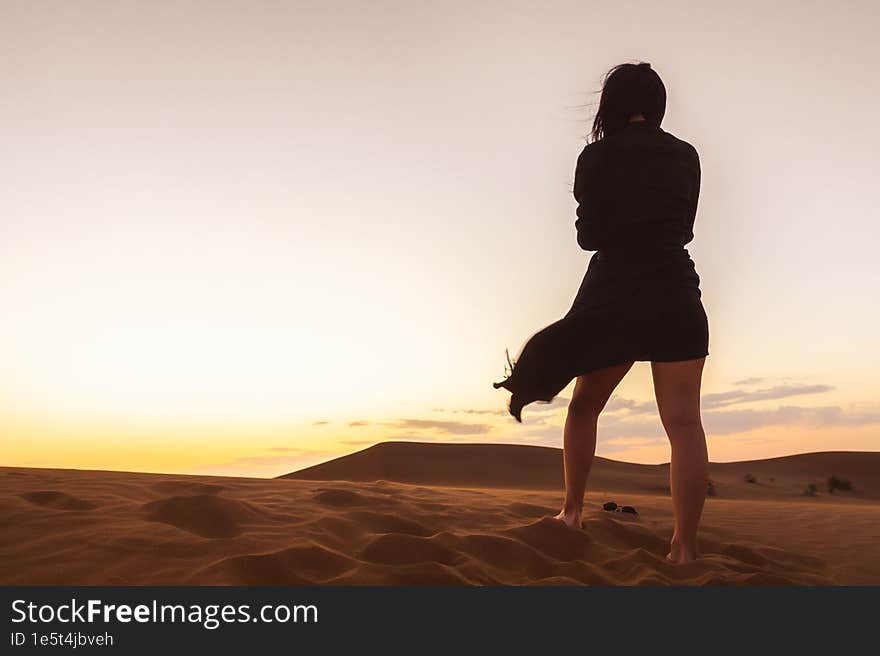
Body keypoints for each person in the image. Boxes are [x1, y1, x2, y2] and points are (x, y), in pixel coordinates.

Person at [493, 62, 709, 564]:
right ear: (657, 105)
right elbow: (685, 226)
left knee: (584, 407)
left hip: (615, 296)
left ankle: (571, 513)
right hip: (676, 293)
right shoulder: (686, 155)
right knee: (684, 425)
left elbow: (588, 236)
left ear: (610, 104)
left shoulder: (597, 156)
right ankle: (685, 548)